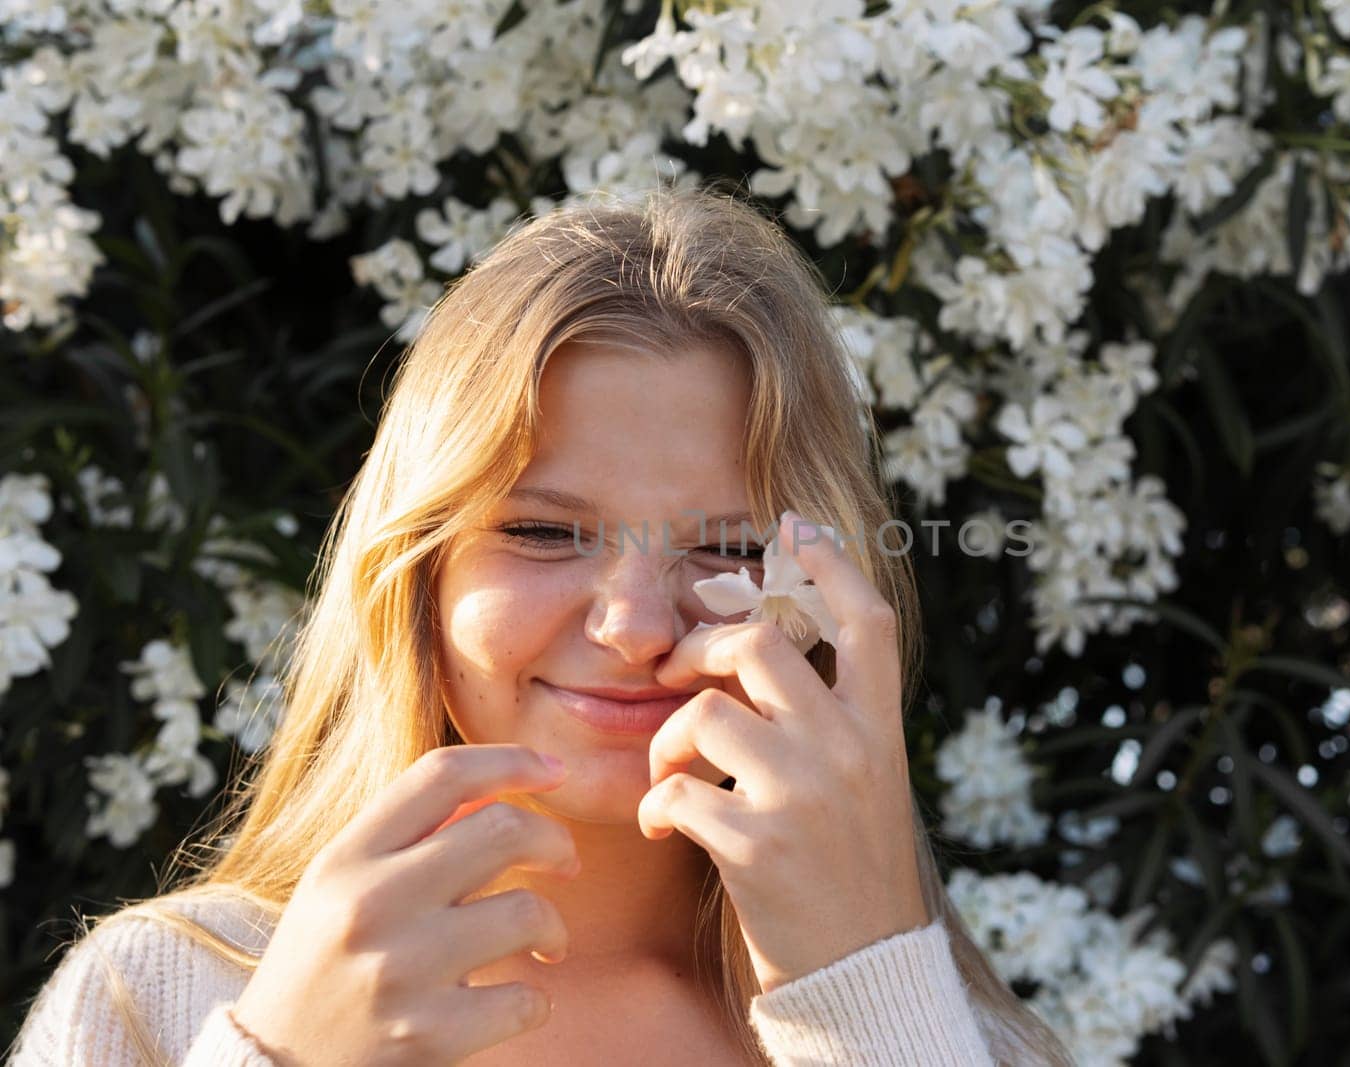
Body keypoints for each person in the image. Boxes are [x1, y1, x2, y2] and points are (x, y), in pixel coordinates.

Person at [8, 183, 1077, 1066]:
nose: (632, 624)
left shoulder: (954, 1038)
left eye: (730, 547)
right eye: (541, 531)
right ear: (414, 566)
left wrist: (871, 997)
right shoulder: (160, 996)